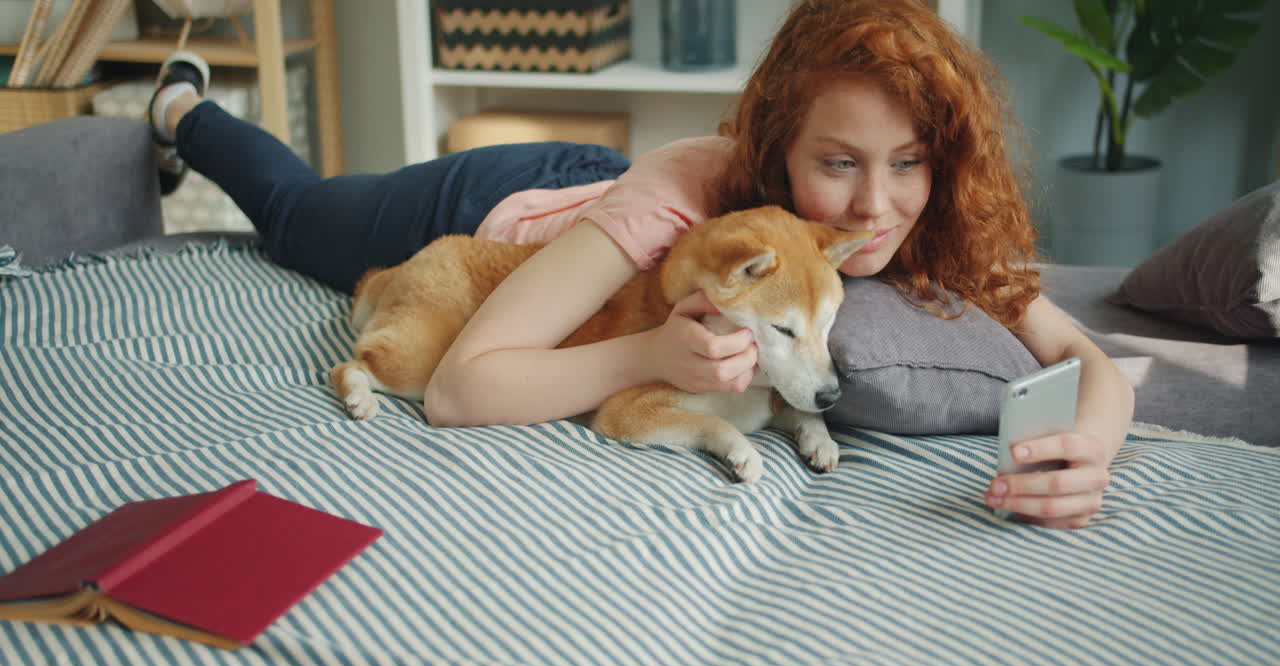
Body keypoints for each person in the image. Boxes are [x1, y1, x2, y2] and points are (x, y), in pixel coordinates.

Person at [145, 0, 1134, 529]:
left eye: (907, 161)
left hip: (600, 205)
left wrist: (1085, 451)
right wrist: (648, 357)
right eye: (836, 163)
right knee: (300, 217)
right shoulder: (688, 193)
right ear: (780, 147)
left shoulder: (929, 216)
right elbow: (454, 391)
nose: (876, 206)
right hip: (502, 213)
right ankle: (182, 111)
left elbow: (1086, 360)